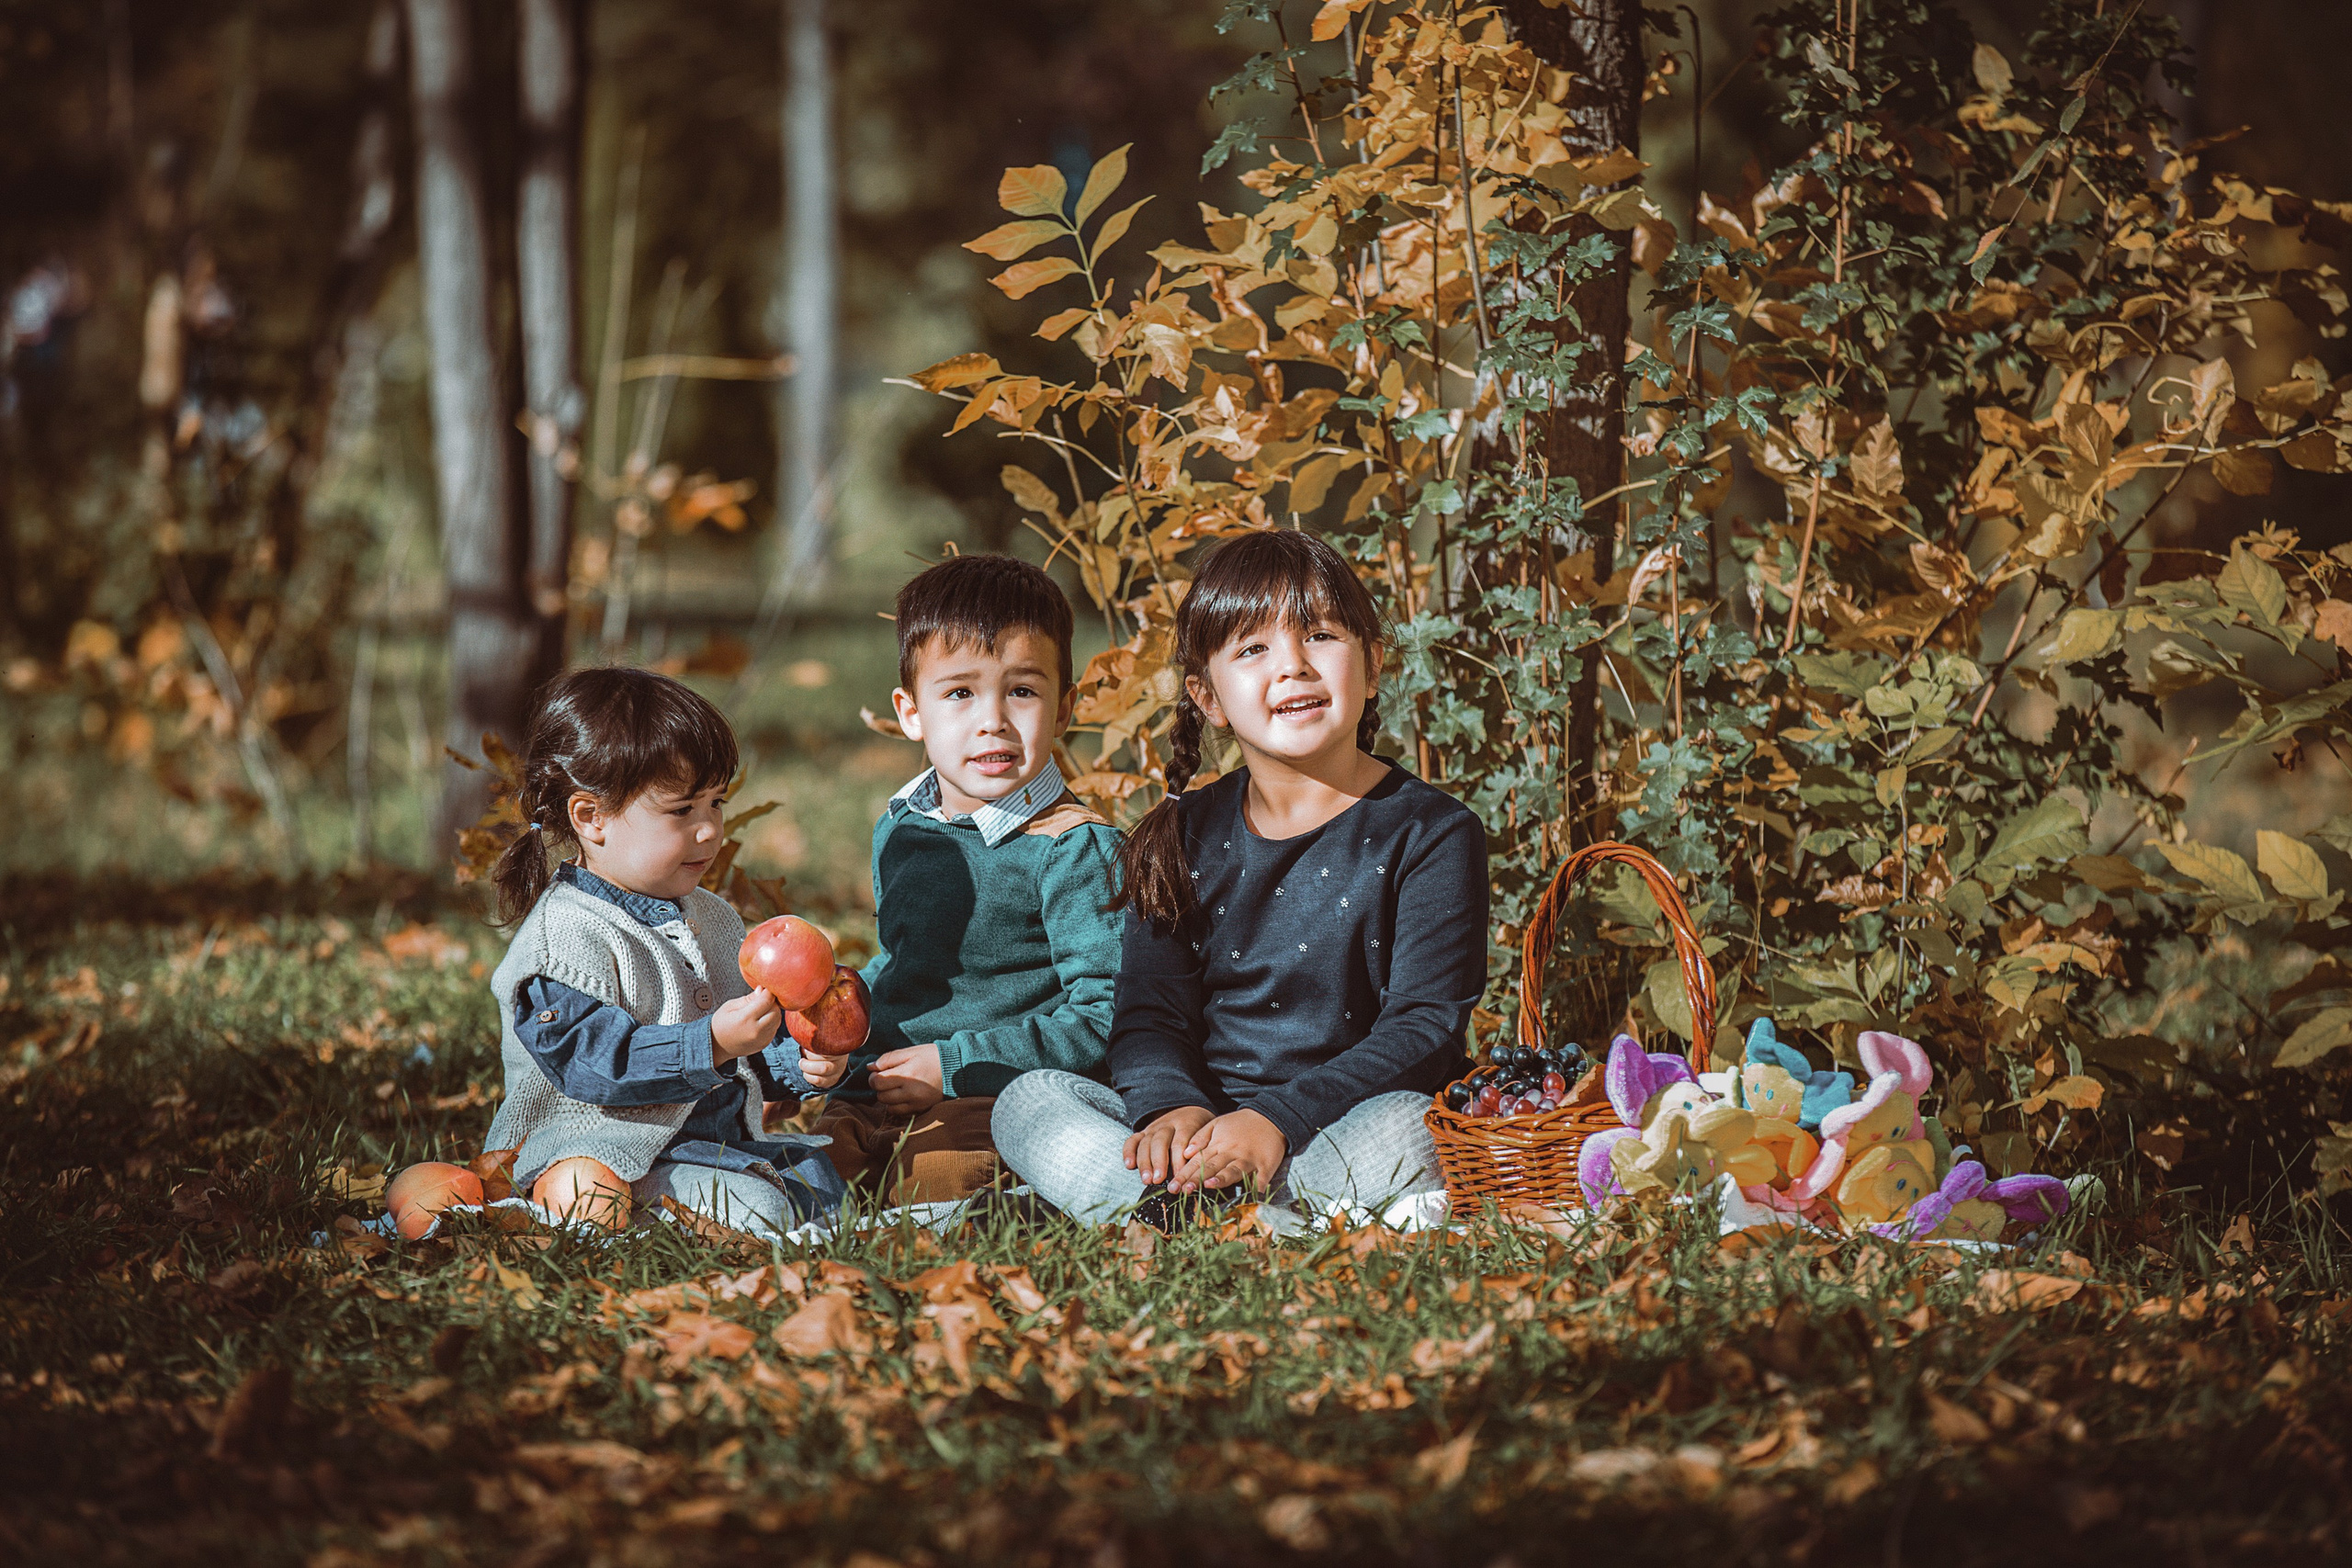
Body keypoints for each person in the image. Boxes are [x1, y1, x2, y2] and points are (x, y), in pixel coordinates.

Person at [992, 529, 1488, 1226]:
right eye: (1253, 649)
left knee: (1414, 1127)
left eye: (1318, 636)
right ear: (1208, 696)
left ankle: (1168, 1219)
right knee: (1031, 1099)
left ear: (1373, 666)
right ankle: (1216, 1214)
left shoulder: (1432, 833)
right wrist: (1174, 1107)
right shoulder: (1181, 833)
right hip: (1202, 1134)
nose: (1292, 668)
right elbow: (1151, 1014)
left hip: (1331, 1131)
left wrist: (1274, 1121)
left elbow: (1424, 1028)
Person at [478, 667, 846, 1237]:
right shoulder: (564, 940)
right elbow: (597, 1066)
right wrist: (714, 1042)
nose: (709, 831)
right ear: (591, 817)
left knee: (825, 1179)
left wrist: (800, 1064)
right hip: (603, 1151)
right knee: (766, 1210)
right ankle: (597, 1211)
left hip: (710, 1146)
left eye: (716, 803)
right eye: (682, 811)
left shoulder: (715, 919)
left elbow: (745, 1053)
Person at [812, 553, 1124, 1205]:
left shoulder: (1071, 847)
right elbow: (907, 963)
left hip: (994, 1090)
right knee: (809, 1173)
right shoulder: (904, 827)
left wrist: (952, 1067)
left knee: (936, 1183)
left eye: (1022, 690)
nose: (993, 720)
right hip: (884, 1078)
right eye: (960, 692)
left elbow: (1103, 1016)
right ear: (910, 712)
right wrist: (841, 1011)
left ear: (1064, 708)